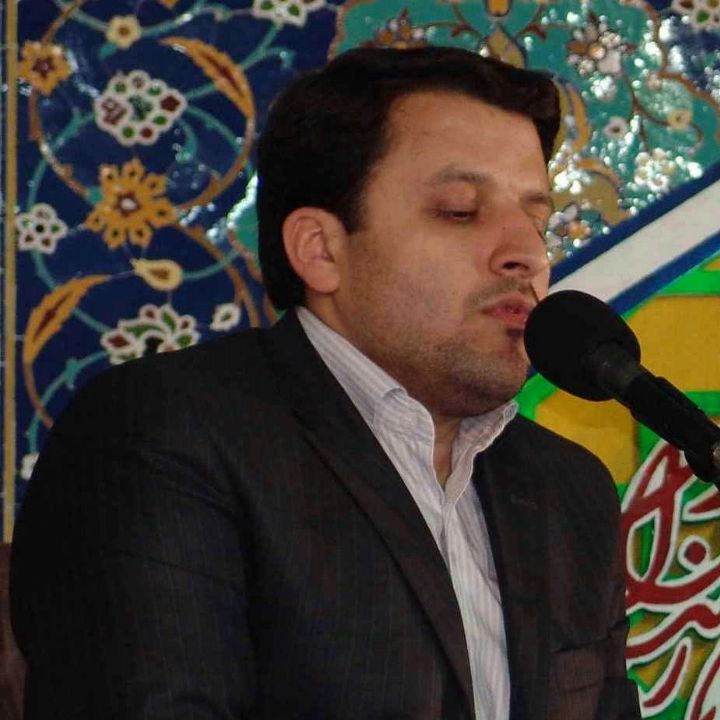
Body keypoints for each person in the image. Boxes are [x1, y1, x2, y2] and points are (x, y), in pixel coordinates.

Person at [10, 46, 640, 719]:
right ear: (320, 250)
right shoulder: (164, 435)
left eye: (538, 220)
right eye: (460, 210)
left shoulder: (566, 487)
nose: (527, 252)